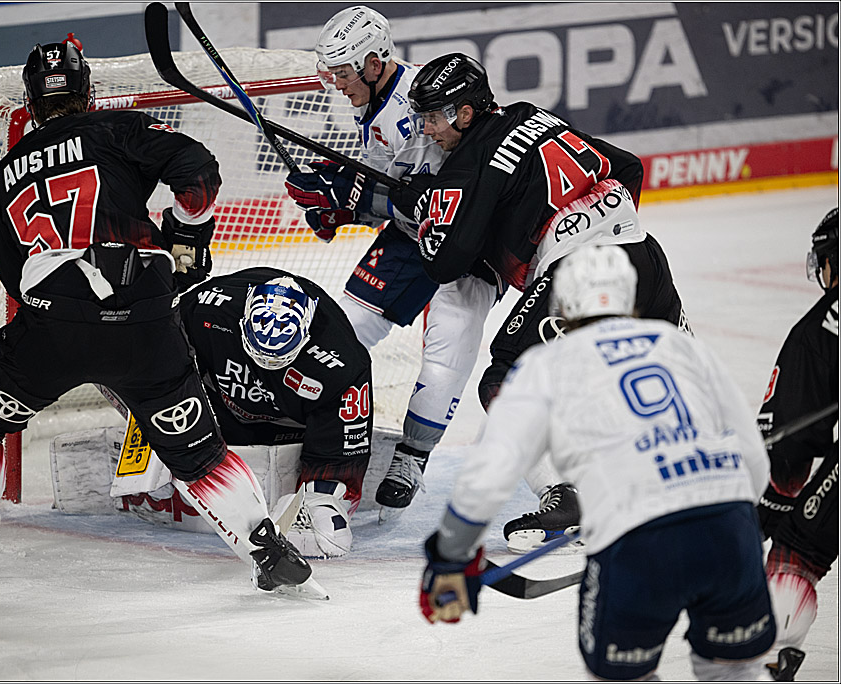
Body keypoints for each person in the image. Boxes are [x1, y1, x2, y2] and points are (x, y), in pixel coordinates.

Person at [0, 36, 317, 609]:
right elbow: (199, 174)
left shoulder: (7, 171)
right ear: (86, 91)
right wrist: (186, 235)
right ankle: (268, 553)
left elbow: (14, 280)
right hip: (146, 324)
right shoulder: (116, 130)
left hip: (54, 331)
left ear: (30, 104)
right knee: (198, 454)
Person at [418, 245, 776, 681]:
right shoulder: (681, 347)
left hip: (639, 544)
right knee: (733, 673)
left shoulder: (547, 363)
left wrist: (450, 557)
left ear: (562, 306)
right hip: (730, 530)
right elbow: (754, 464)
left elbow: (490, 472)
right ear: (630, 299)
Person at [384, 52, 690, 551]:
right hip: (644, 254)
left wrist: (426, 207)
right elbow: (628, 166)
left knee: (506, 378)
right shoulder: (531, 115)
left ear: (465, 113)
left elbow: (446, 261)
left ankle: (567, 494)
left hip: (579, 273)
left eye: (435, 117)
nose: (428, 129)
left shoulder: (466, 162)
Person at [284, 7, 495, 523]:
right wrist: (338, 196)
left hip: (467, 239)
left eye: (342, 71)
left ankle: (411, 459)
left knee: (448, 350)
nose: (334, 83)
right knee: (340, 334)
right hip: (411, 237)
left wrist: (348, 199)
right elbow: (391, 181)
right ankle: (309, 426)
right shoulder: (379, 97)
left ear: (374, 61)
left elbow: (430, 201)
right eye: (330, 71)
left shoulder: (410, 112)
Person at [175, 266, 374, 558]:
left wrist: (323, 492)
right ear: (243, 324)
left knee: (330, 534)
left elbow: (340, 454)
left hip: (295, 422)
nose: (265, 361)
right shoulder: (206, 310)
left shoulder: (342, 363)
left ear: (305, 335)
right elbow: (156, 352)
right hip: (224, 401)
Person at [755, 208, 838, 681]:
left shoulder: (818, 329)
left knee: (798, 548)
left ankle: (770, 653)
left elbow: (791, 439)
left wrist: (761, 513)